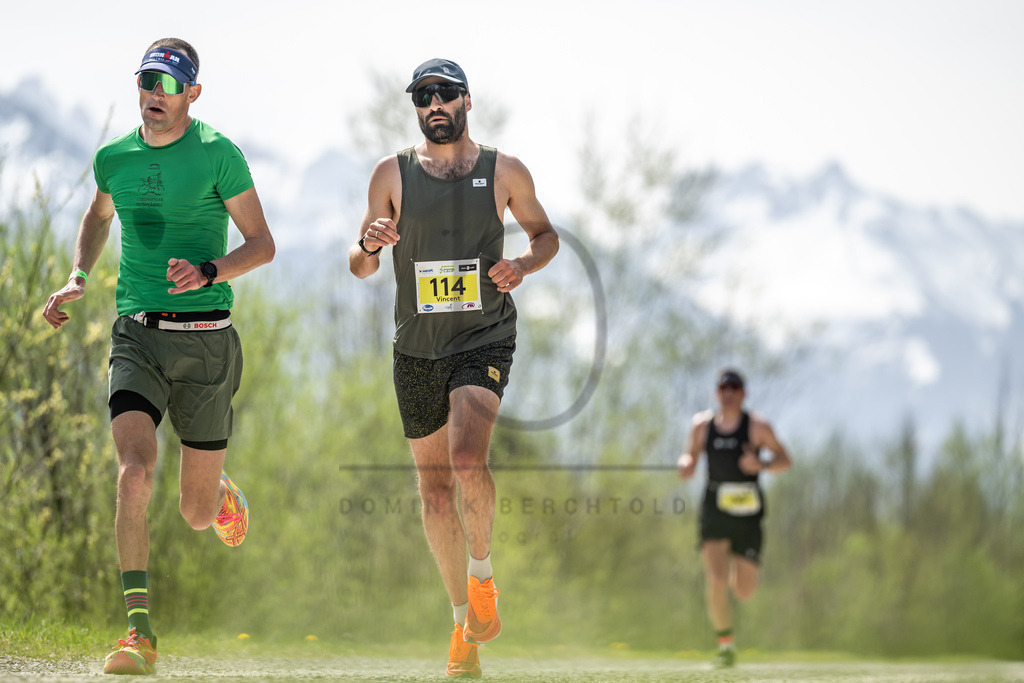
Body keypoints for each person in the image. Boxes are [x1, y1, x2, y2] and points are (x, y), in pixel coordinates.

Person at [42, 38, 274, 676]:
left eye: (168, 85)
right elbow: (98, 217)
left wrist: (209, 269)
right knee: (134, 473)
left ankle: (218, 490)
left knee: (196, 515)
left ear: (192, 95)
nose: (154, 95)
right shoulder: (114, 158)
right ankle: (138, 632)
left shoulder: (219, 155)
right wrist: (78, 277)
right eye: (147, 81)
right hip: (137, 334)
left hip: (207, 341)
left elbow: (262, 244)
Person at [349, 58, 558, 678]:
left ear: (467, 100)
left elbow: (545, 237)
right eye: (422, 96)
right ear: (415, 106)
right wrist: (369, 246)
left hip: (483, 336)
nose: (432, 104)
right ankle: (461, 622)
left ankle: (485, 578)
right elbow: (359, 267)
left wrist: (521, 265)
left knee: (469, 460)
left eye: (443, 94)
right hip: (415, 347)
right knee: (435, 495)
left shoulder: (505, 170)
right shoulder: (391, 173)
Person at [677, 369, 791, 668]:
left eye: (734, 387)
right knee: (715, 579)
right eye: (723, 387)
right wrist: (686, 465)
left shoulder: (757, 427)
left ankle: (742, 569)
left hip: (748, 514)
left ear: (743, 393)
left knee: (743, 590)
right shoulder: (702, 426)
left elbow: (785, 460)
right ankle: (725, 647)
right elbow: (689, 454)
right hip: (715, 507)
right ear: (717, 392)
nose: (728, 392)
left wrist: (761, 464)